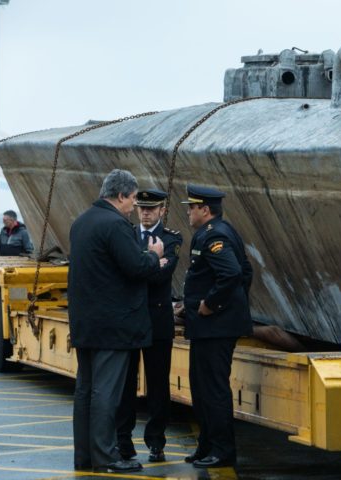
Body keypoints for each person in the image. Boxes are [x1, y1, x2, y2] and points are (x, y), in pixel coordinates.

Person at [68, 169, 165, 474]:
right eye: (133, 199)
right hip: (114, 326)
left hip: (86, 323)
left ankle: (85, 456)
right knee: (105, 394)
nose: (134, 206)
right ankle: (106, 457)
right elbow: (135, 266)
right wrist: (153, 256)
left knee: (85, 391)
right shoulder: (115, 225)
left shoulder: (81, 222)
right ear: (121, 195)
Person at [179, 184, 253, 468]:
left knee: (213, 390)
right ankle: (206, 445)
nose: (187, 211)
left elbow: (233, 273)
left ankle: (222, 451)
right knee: (201, 388)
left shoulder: (215, 236)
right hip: (209, 328)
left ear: (205, 210)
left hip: (215, 328)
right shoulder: (219, 231)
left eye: (191, 207)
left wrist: (212, 305)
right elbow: (246, 271)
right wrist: (235, 304)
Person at [116, 189, 183, 463]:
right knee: (125, 385)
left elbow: (160, 276)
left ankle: (156, 442)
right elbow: (125, 272)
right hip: (131, 320)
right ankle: (124, 442)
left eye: (151, 209)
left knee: (157, 386)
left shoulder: (172, 238)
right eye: (142, 208)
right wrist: (152, 261)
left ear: (161, 210)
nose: (145, 213)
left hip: (157, 321)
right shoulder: (128, 234)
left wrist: (140, 266)